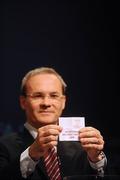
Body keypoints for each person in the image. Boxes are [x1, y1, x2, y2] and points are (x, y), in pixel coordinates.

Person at [0, 67, 107, 180]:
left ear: (63, 102)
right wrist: (31, 154)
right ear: (23, 102)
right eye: (38, 96)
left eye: (54, 96)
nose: (46, 103)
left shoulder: (83, 147)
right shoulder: (4, 146)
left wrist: (96, 159)